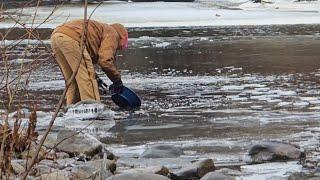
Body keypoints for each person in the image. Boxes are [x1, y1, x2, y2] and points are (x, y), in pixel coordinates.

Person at [51, 19, 128, 105]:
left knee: (72, 80)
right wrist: (117, 81)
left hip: (56, 37)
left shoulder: (101, 31)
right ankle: (92, 109)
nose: (123, 47)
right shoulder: (113, 33)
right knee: (88, 77)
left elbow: (86, 63)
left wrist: (98, 78)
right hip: (72, 38)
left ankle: (72, 110)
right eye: (125, 43)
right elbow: (105, 61)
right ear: (123, 35)